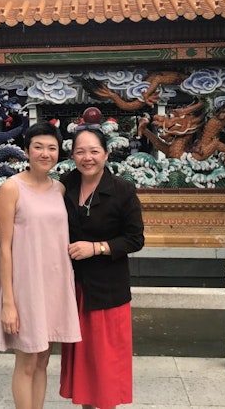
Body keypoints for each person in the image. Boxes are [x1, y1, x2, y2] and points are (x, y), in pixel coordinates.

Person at [0, 121, 81, 409]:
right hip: (25, 287)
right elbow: (5, 248)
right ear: (26, 151)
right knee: (26, 361)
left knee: (43, 361)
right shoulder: (11, 189)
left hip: (54, 286)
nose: (45, 153)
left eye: (52, 148)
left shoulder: (60, 189)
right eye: (38, 147)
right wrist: (8, 303)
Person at [59, 125, 145, 409]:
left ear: (106, 154)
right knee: (84, 363)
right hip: (75, 287)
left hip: (108, 290)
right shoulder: (65, 185)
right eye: (80, 151)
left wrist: (96, 248)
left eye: (94, 151)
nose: (87, 157)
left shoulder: (122, 190)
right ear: (72, 155)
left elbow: (135, 239)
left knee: (105, 363)